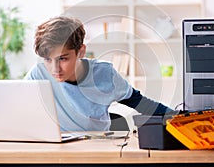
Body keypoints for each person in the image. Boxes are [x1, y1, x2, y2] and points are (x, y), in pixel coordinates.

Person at [25, 16, 175, 131]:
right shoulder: (38, 74)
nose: (54, 69)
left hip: (96, 150)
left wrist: (182, 117)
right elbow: (18, 110)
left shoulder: (105, 74)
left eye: (63, 59)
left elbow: (142, 103)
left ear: (81, 52)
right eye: (47, 60)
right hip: (56, 152)